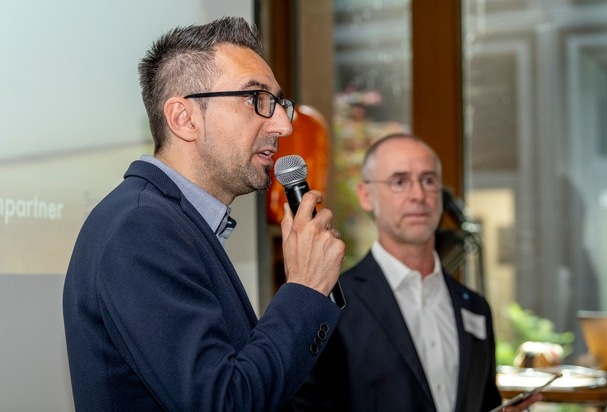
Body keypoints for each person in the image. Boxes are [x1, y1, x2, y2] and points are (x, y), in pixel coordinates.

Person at [62, 16, 345, 412]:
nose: (283, 124)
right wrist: (306, 287)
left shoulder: (175, 223)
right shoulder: (141, 228)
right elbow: (222, 402)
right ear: (184, 118)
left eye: (280, 103)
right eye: (256, 98)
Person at [292, 133, 540, 412]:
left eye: (428, 181)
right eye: (399, 182)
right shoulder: (333, 305)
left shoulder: (475, 307)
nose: (419, 195)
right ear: (366, 196)